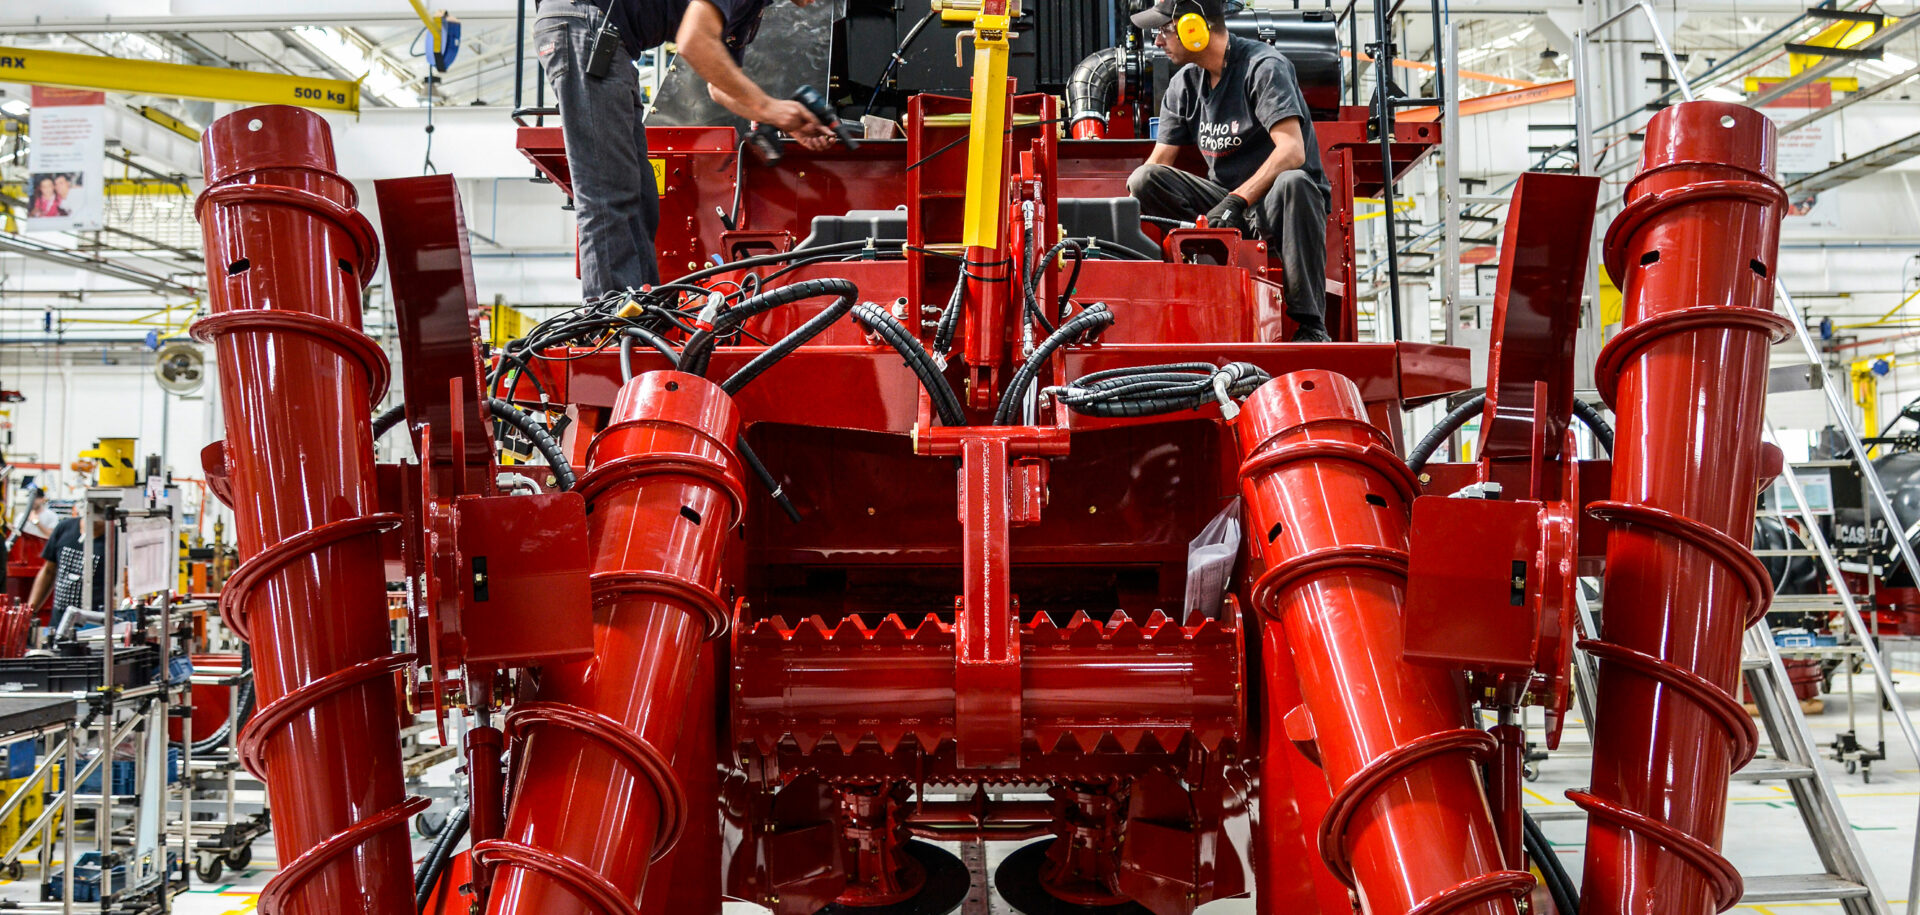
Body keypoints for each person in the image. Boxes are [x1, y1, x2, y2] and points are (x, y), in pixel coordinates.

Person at [535, 0, 834, 302]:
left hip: (609, 42)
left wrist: (780, 117)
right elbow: (693, 41)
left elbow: (718, 88)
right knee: (607, 189)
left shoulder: (749, 11)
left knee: (640, 198)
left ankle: (640, 310)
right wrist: (770, 107)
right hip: (585, 27)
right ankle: (610, 317)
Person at [1127, 0, 1333, 342]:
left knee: (1294, 182)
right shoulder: (1183, 87)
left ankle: (1311, 325)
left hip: (1277, 202)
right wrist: (1120, 212)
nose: (1158, 42)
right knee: (1144, 181)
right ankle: (1200, 270)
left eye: (1163, 31)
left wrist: (1239, 200)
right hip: (1226, 204)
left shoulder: (1264, 67)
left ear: (1193, 28)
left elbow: (1292, 150)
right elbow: (1158, 163)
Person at [26, 507, 107, 639]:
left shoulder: (115, 539)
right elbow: (48, 571)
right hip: (59, 622)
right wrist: (30, 612)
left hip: (95, 627)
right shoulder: (65, 528)